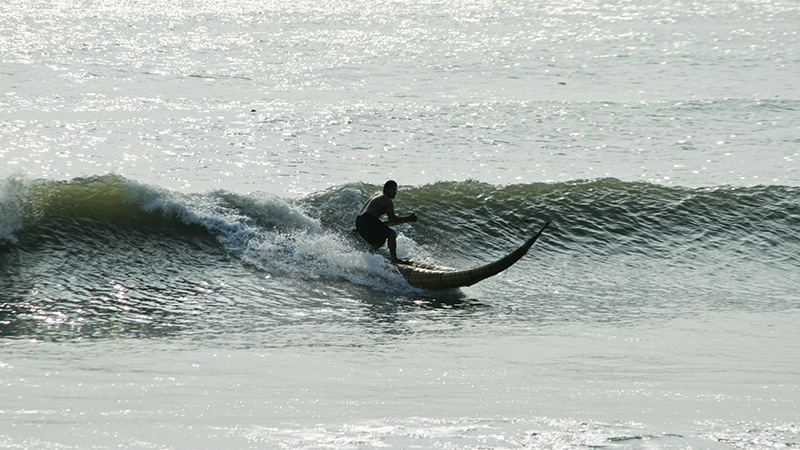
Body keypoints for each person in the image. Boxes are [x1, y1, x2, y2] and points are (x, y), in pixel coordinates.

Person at [355, 180, 418, 263]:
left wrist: (407, 220)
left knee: (380, 241)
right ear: (387, 190)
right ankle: (394, 258)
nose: (395, 193)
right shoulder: (387, 200)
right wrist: (409, 218)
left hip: (360, 220)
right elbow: (393, 219)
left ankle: (368, 255)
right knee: (391, 233)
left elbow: (383, 223)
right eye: (393, 190)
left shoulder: (377, 195)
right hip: (367, 219)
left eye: (396, 190)